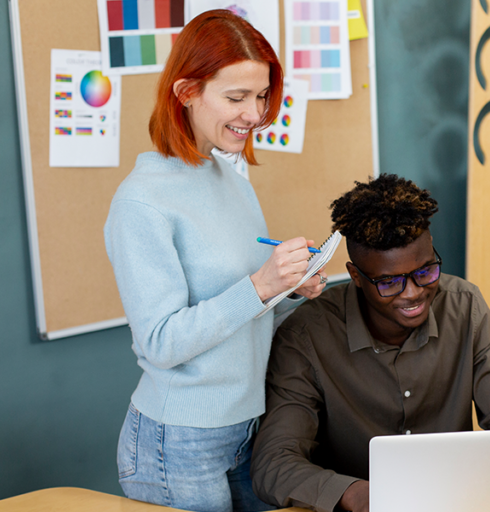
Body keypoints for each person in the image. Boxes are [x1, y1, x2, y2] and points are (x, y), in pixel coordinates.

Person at [103, 10, 326, 512]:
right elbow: (161, 342)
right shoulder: (141, 202)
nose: (255, 113)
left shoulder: (233, 179)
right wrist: (261, 285)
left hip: (249, 425)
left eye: (262, 96)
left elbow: (244, 316)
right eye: (236, 97)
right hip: (178, 442)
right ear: (186, 92)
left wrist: (290, 290)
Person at [250, 174, 490, 512]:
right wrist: (357, 495)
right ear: (357, 276)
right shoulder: (308, 335)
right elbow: (273, 463)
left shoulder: (464, 307)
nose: (414, 293)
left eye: (425, 271)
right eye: (389, 282)